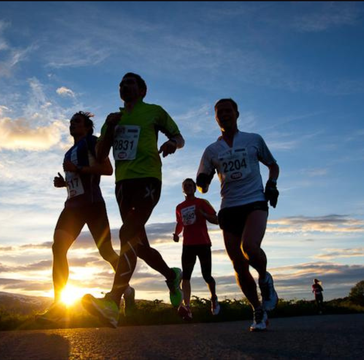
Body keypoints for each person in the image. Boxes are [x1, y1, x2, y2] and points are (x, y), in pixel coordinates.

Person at [81, 72, 185, 328]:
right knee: (137, 245)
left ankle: (113, 301)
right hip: (122, 185)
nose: (123, 86)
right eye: (121, 84)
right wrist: (109, 130)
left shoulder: (154, 111)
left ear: (142, 90)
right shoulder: (113, 119)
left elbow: (179, 138)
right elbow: (101, 153)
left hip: (148, 180)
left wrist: (172, 143)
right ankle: (172, 276)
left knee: (126, 233)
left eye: (129, 83)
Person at [38, 111, 134, 323]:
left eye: (77, 122)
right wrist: (64, 183)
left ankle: (126, 289)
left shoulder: (92, 141)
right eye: (71, 122)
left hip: (93, 205)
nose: (73, 125)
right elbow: (77, 176)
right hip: (72, 207)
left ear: (88, 127)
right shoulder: (68, 152)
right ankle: (58, 306)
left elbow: (107, 170)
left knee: (106, 251)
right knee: (58, 248)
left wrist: (78, 169)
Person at [196, 98, 280, 332]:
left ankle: (264, 278)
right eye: (219, 112)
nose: (224, 114)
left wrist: (272, 184)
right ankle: (258, 310)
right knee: (239, 266)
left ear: (236, 113)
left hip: (254, 201)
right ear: (215, 118)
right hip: (229, 207)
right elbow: (203, 183)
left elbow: (273, 165)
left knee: (249, 248)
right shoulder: (212, 150)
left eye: (228, 111)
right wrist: (203, 182)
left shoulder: (253, 140)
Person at [173, 178, 220, 321]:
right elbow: (180, 223)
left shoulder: (202, 203)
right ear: (183, 189)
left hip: (203, 243)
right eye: (185, 185)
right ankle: (187, 307)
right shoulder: (179, 207)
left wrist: (204, 214)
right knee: (186, 277)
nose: (187, 187)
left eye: (190, 185)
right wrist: (176, 234)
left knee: (207, 276)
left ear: (194, 188)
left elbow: (216, 219)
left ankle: (213, 298)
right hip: (188, 245)